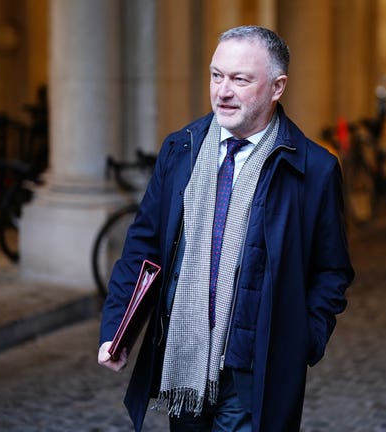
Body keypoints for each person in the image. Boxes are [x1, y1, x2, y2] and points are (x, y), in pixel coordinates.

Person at [98, 25, 354, 432]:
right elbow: (143, 247)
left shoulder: (313, 170)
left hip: (256, 370)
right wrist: (118, 327)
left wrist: (302, 340)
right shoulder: (180, 149)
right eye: (217, 75)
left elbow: (331, 270)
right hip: (184, 361)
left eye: (240, 79)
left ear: (277, 87)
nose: (223, 91)